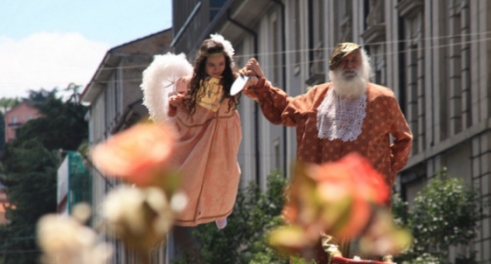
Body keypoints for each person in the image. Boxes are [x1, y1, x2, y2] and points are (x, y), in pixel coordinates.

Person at [241, 42, 412, 192]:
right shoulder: (316, 96)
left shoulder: (383, 98)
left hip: (364, 196)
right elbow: (285, 109)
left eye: (354, 60)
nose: (349, 66)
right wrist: (260, 84)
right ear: (334, 67)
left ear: (363, 66)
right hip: (321, 197)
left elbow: (404, 139)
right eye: (343, 61)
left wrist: (384, 170)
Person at [142, 34, 242, 229]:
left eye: (221, 64)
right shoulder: (192, 83)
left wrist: (251, 80)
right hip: (199, 131)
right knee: (190, 172)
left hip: (224, 133)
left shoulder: (231, 80)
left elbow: (244, 84)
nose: (217, 69)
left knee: (224, 173)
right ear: (203, 65)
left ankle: (219, 211)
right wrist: (177, 101)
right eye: (212, 65)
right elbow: (181, 99)